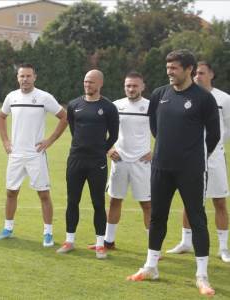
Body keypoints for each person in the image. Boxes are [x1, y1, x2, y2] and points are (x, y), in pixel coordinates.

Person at [127, 49, 220, 297]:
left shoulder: (203, 98)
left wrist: (192, 156)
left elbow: (214, 135)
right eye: (168, 67)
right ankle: (151, 267)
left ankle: (202, 276)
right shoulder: (159, 94)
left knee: (197, 219)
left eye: (174, 68)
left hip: (191, 170)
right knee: (158, 217)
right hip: (161, 168)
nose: (169, 71)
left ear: (188, 69)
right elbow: (156, 127)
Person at [0, 63, 67, 247]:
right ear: (17, 78)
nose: (25, 79)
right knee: (11, 192)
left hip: (36, 154)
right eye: (21, 76)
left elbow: (65, 117)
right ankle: (8, 229)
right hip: (16, 154)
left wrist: (49, 141)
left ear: (35, 77)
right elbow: (1, 117)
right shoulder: (12, 97)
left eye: (28, 76)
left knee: (43, 194)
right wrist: (5, 141)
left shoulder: (44, 97)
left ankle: (48, 233)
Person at [167, 61, 230, 263]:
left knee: (219, 201)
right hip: (190, 158)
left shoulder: (224, 99)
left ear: (211, 74)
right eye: (195, 73)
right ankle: (186, 242)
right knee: (189, 200)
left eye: (202, 73)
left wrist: (214, 146)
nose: (197, 76)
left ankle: (223, 247)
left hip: (215, 157)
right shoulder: (188, 96)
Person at [56, 69, 119, 259]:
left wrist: (100, 149)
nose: (87, 84)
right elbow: (74, 130)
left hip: (97, 162)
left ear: (100, 84)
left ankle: (100, 244)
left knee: (98, 202)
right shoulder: (74, 105)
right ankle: (69, 240)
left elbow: (114, 135)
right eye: (85, 81)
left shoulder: (108, 107)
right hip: (75, 159)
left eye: (91, 82)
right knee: (72, 201)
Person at [104, 72, 151, 249]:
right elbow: (103, 131)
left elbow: (165, 131)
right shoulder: (115, 106)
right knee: (114, 200)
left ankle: (152, 246)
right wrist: (109, 149)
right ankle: (108, 241)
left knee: (147, 205)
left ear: (142, 87)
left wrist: (155, 152)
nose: (131, 89)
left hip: (142, 163)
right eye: (128, 86)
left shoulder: (151, 106)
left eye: (135, 86)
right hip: (120, 161)